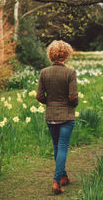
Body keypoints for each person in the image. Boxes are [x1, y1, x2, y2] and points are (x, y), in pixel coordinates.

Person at [36, 40, 78, 195]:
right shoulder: (70, 73)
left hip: (51, 115)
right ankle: (56, 181)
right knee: (62, 148)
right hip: (66, 116)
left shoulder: (44, 72)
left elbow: (39, 96)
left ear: (51, 54)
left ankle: (64, 176)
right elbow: (73, 97)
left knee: (57, 147)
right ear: (66, 55)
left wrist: (50, 103)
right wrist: (72, 106)